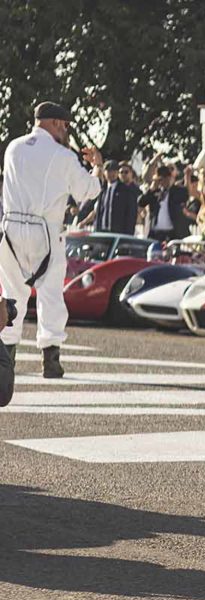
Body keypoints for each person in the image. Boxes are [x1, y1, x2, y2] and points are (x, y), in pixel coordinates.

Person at [0, 101, 104, 396]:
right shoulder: (63, 155)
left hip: (10, 229)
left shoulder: (13, 148)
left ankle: (7, 357)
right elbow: (89, 191)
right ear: (57, 123)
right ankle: (50, 358)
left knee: (11, 293)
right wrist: (97, 167)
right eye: (66, 126)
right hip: (45, 229)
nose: (67, 132)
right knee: (50, 294)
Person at [139, 163, 194, 242]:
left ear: (170, 178)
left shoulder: (177, 191)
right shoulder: (154, 193)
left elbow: (186, 194)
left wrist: (187, 176)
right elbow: (141, 202)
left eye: (166, 178)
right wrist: (152, 188)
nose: (163, 182)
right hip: (156, 233)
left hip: (173, 233)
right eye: (160, 179)